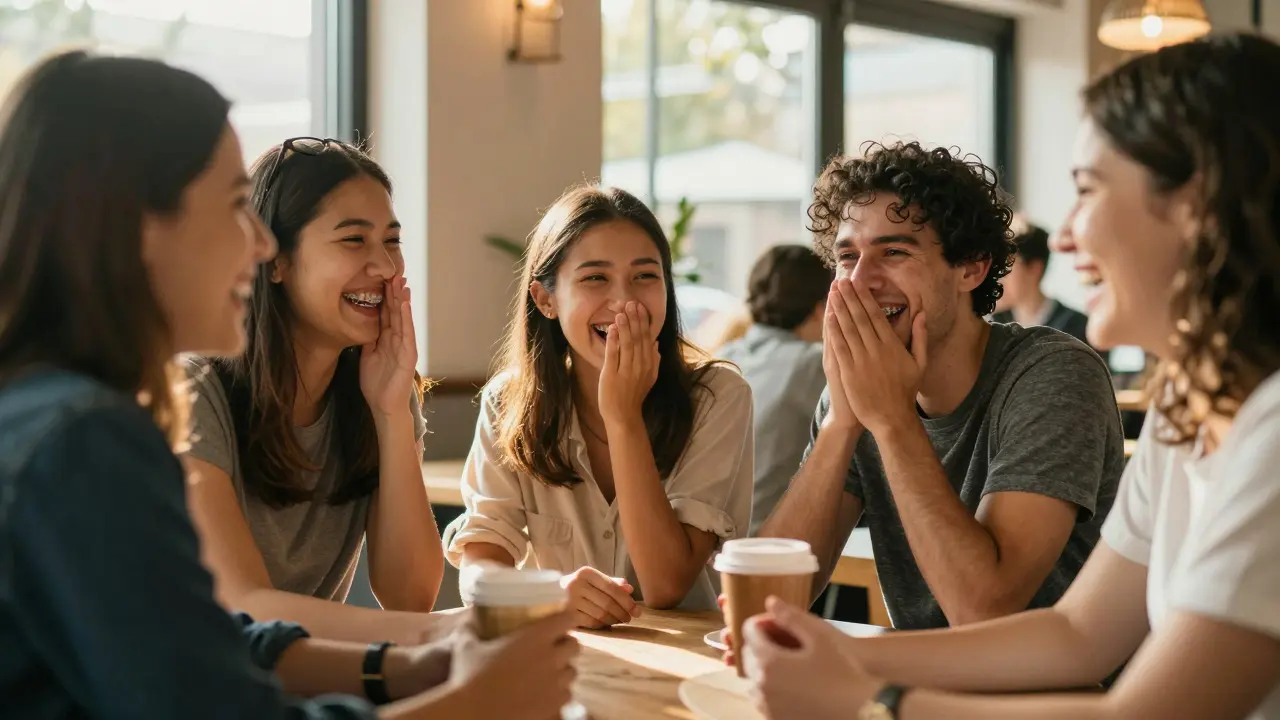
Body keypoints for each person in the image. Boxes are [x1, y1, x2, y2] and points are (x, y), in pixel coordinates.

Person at [0, 50, 578, 720]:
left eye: (389, 240)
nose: (260, 244)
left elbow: (204, 646)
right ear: (135, 226)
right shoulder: (85, 440)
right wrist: (471, 703)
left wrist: (412, 666)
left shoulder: (50, 415)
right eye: (233, 207)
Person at [741, 33, 1280, 720]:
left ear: (1196, 206)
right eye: (846, 255)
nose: (1061, 238)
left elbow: (1132, 708)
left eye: (1087, 191)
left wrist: (875, 696)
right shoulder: (1184, 408)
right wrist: (841, 655)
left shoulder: (1266, 430)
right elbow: (1077, 632)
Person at [758, 141, 1126, 630]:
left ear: (971, 267)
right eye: (847, 257)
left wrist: (890, 420)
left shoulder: (1054, 372)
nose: (861, 280)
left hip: (1056, 698)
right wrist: (842, 422)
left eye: (894, 251)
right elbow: (769, 597)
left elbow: (985, 611)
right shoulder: (857, 390)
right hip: (921, 682)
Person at [443, 185, 754, 627]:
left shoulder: (717, 395)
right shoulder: (508, 402)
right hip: (559, 655)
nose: (625, 301)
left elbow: (666, 585)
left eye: (646, 276)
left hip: (684, 665)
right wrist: (540, 596)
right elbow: (480, 562)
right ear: (545, 299)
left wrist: (624, 417)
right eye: (595, 278)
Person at [182, 138, 446, 646]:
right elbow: (244, 606)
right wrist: (440, 633)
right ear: (274, 260)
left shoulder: (378, 387)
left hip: (303, 680)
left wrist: (391, 413)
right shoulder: (197, 391)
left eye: (392, 241)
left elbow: (410, 595)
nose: (387, 267)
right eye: (354, 241)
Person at [718, 244, 832, 534]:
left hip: (711, 545)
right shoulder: (811, 365)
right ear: (821, 309)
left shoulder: (726, 356)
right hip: (768, 545)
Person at [991, 215, 1090, 345]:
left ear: (1034, 269)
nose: (997, 278)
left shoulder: (1077, 327)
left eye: (1005, 269)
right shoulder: (995, 325)